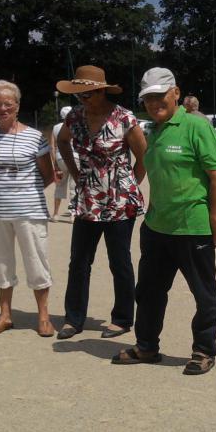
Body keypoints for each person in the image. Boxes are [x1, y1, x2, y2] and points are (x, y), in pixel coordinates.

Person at [113, 67, 216, 375]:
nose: (154, 103)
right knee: (149, 292)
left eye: (159, 96)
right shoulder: (150, 131)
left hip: (193, 227)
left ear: (176, 92)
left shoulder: (196, 127)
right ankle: (147, 347)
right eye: (148, 98)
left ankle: (203, 350)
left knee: (203, 293)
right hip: (156, 227)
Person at [54, 65, 147, 340]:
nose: (84, 98)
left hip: (120, 202)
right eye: (80, 94)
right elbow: (62, 141)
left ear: (102, 90)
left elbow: (144, 155)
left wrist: (131, 184)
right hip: (87, 200)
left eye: (89, 93)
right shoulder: (75, 117)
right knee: (79, 261)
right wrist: (74, 171)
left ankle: (121, 319)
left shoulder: (123, 118)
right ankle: (73, 319)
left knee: (119, 261)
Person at [0, 80, 56, 338]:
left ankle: (43, 317)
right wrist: (0, 191)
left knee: (36, 262)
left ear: (17, 105)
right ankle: (5, 315)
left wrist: (22, 193)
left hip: (29, 211)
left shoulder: (33, 136)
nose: (3, 108)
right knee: (1, 264)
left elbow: (48, 175)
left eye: (8, 103)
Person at [50, 105, 77, 221]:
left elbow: (52, 146)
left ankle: (55, 214)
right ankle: (72, 214)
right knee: (74, 186)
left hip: (60, 158)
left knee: (60, 186)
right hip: (75, 157)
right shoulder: (76, 126)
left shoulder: (55, 127)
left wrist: (54, 163)